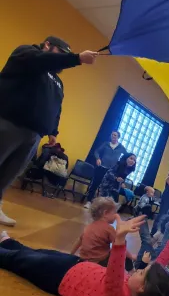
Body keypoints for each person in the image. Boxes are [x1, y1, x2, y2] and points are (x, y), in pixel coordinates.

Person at [0, 215, 169, 296]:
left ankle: (6, 249)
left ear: (143, 288)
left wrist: (120, 240)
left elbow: (113, 274)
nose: (138, 269)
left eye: (142, 272)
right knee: (34, 251)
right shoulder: (134, 285)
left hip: (58, 276)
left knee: (18, 260)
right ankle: (8, 241)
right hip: (75, 265)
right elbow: (158, 266)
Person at [0, 37, 97, 226]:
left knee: (10, 173)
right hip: (8, 122)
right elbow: (42, 60)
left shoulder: (58, 83)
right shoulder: (26, 54)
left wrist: (53, 131)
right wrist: (76, 58)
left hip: (34, 134)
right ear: (47, 45)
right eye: (61, 54)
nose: (62, 60)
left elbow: (56, 108)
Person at [70, 197, 135, 269]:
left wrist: (71, 255)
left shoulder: (90, 226)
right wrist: (131, 256)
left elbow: (79, 240)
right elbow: (119, 244)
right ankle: (129, 275)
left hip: (83, 260)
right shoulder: (108, 228)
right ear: (105, 213)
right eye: (114, 212)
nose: (116, 215)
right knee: (126, 257)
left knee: (110, 250)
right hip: (99, 262)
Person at [84, 131, 127, 209]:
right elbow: (96, 152)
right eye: (112, 134)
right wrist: (98, 158)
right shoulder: (106, 144)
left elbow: (126, 157)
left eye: (115, 135)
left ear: (118, 137)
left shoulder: (121, 147)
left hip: (111, 172)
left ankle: (102, 206)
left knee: (107, 188)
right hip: (102, 168)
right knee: (95, 185)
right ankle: (89, 202)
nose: (113, 136)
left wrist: (120, 165)